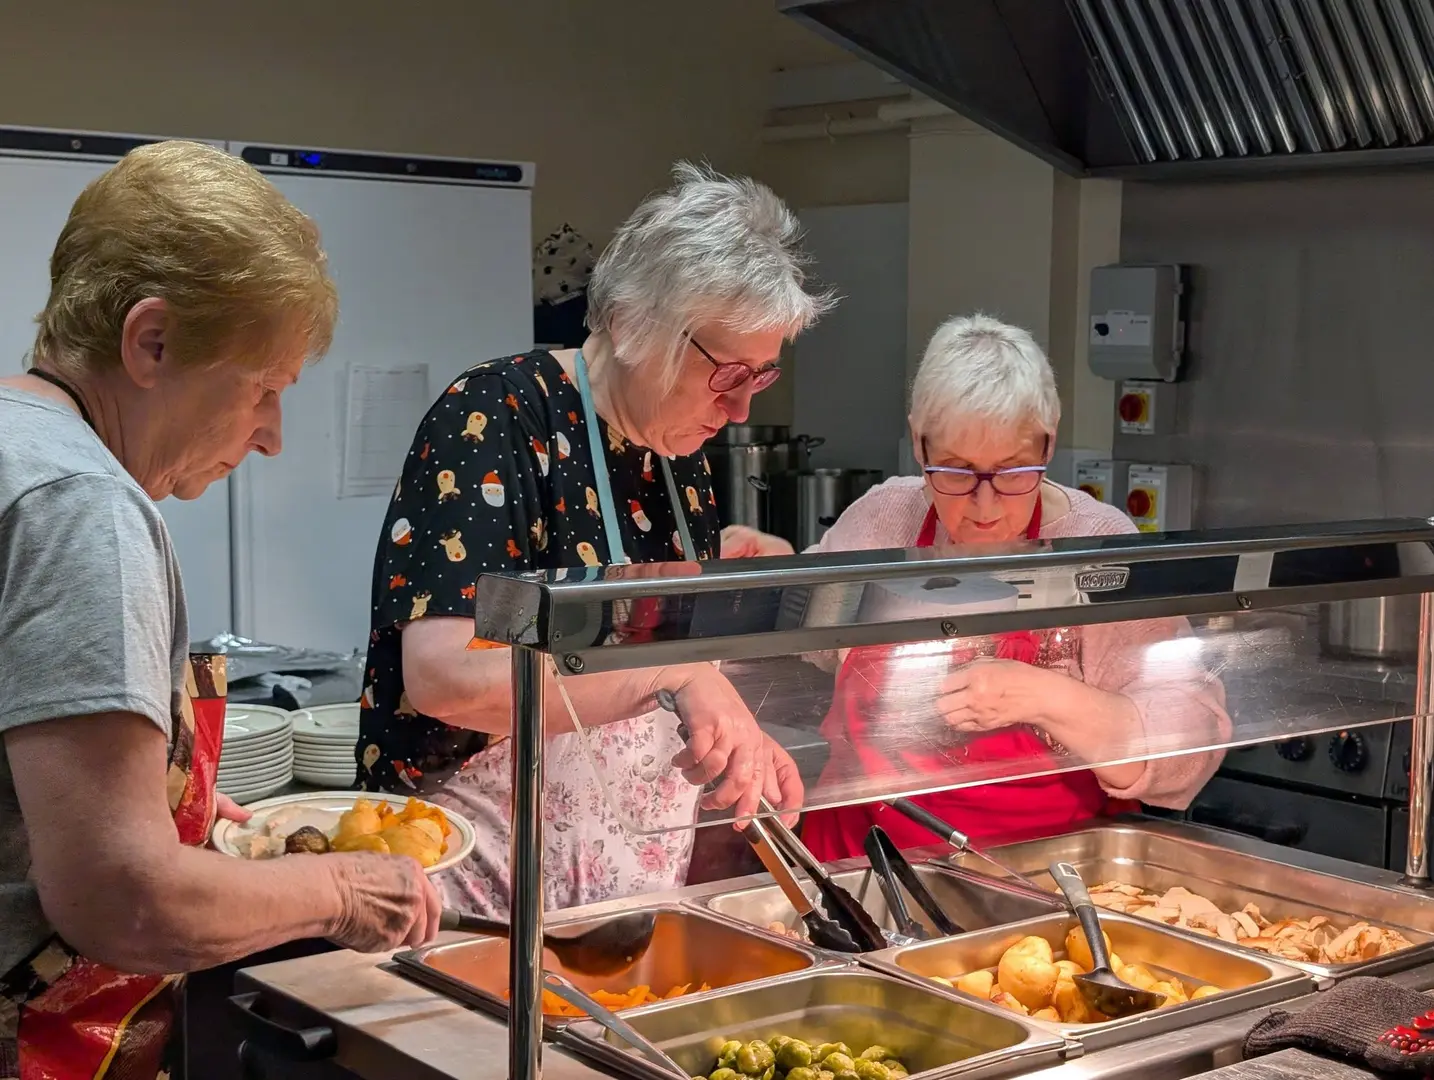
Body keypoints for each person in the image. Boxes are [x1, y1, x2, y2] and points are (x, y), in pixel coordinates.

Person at [0, 141, 439, 1078]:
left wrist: (163, 803)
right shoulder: (83, 508)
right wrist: (339, 889)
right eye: (264, 388)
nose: (273, 436)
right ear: (152, 342)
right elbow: (126, 900)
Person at [358, 162, 834, 917]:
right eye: (727, 374)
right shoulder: (496, 417)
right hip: (466, 880)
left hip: (624, 895)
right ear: (632, 324)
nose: (741, 410)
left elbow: (665, 671)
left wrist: (731, 735)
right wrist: (669, 675)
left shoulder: (680, 457)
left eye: (762, 376)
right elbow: (445, 677)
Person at [795, 314, 1231, 860]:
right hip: (858, 864)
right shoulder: (884, 518)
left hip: (1040, 875)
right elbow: (815, 637)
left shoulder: (1097, 545)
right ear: (918, 443)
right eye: (955, 471)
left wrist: (1042, 697)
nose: (985, 507)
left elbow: (1190, 747)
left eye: (1013, 472)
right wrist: (776, 575)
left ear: (1049, 444)